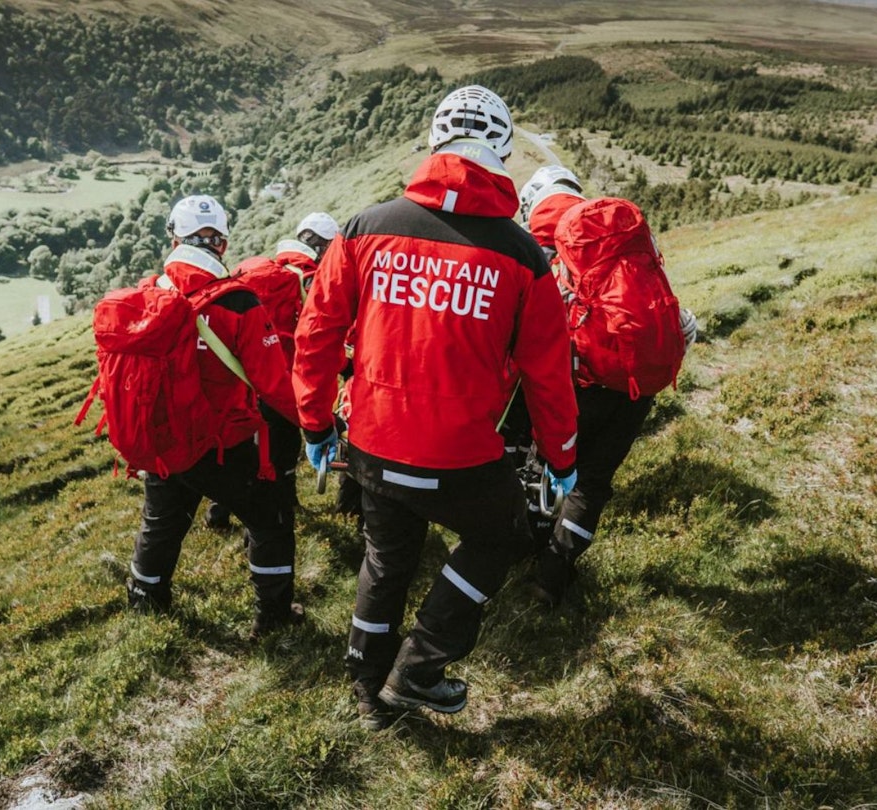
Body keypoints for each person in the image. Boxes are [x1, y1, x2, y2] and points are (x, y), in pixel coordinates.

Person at [292, 86, 579, 730]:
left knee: (386, 559)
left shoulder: (366, 226)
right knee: (496, 537)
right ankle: (418, 670)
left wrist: (314, 422)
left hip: (371, 443)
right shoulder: (523, 257)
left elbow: (316, 333)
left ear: (433, 142)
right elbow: (547, 374)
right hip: (462, 454)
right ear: (503, 152)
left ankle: (369, 695)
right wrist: (562, 457)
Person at [515, 166, 699, 607]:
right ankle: (553, 577)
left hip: (575, 380)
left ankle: (532, 548)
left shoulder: (536, 243)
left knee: (545, 465)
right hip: (635, 381)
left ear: (532, 204)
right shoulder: (620, 232)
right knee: (593, 482)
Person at [126, 194, 306, 640]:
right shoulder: (238, 302)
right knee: (270, 517)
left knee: (163, 518)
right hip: (217, 442)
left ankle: (144, 600)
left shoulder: (151, 291)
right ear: (222, 244)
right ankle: (274, 616)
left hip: (164, 436)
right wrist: (316, 423)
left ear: (174, 238)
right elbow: (274, 386)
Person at [204, 212, 341, 531]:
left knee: (244, 449)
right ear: (323, 247)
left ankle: (219, 512)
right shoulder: (310, 279)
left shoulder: (262, 269)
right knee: (283, 450)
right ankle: (280, 509)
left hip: (244, 374)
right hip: (285, 380)